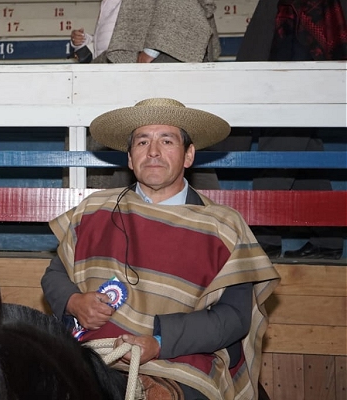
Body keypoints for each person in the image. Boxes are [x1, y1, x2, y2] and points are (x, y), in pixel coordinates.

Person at [41, 98, 280, 399]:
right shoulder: (93, 210)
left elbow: (233, 317)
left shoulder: (224, 226)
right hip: (90, 351)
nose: (153, 151)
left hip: (180, 360)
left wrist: (160, 341)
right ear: (130, 158)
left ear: (188, 155)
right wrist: (74, 301)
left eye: (166, 140)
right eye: (142, 142)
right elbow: (54, 275)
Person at [233, 0, 346, 259]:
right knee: (309, 157)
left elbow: (279, 36)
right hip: (314, 73)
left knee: (277, 155)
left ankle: (262, 241)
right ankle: (327, 242)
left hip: (291, 77)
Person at [70, 0, 222, 191]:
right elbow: (114, 39)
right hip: (125, 68)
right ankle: (115, 212)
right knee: (140, 141)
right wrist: (88, 45)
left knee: (171, 136)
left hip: (156, 61)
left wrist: (153, 50)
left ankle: (208, 211)